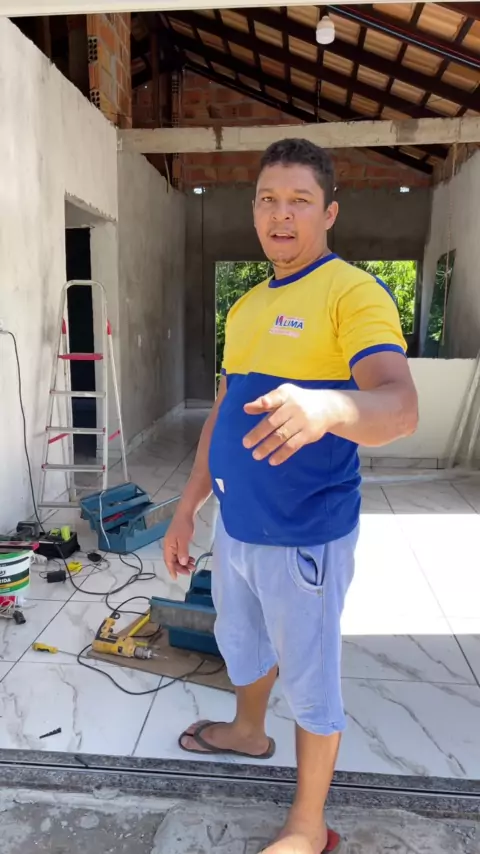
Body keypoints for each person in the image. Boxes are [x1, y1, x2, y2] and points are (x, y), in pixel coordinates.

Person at [163, 138, 418, 854]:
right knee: (240, 642)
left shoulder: (351, 293)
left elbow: (400, 406)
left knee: (310, 677)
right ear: (254, 211)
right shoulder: (247, 306)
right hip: (237, 526)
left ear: (329, 213)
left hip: (306, 533)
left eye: (300, 200)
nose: (282, 214)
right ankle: (249, 730)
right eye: (269, 200)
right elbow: (222, 412)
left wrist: (329, 408)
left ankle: (308, 826)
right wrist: (187, 506)